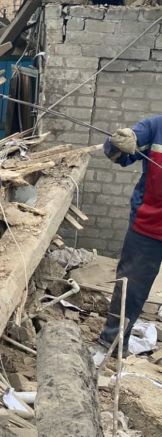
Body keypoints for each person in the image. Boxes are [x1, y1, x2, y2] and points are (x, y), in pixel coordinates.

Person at [97, 115, 162, 354]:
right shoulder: (156, 127)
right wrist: (117, 143)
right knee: (130, 289)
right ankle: (112, 343)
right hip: (149, 225)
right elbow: (118, 155)